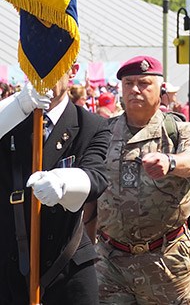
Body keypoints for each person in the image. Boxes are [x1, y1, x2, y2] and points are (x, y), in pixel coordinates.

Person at [95, 56, 190, 304]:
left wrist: (170, 163)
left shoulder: (180, 130)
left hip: (165, 260)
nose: (135, 89)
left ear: (161, 90)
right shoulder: (102, 131)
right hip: (110, 259)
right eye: (128, 83)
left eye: (144, 83)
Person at [0, 66, 111, 305]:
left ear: (72, 71)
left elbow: (97, 175)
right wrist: (16, 107)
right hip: (9, 263)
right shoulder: (10, 120)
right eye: (36, 66)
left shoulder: (91, 125)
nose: (43, 75)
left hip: (66, 265)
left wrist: (66, 182)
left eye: (52, 67)